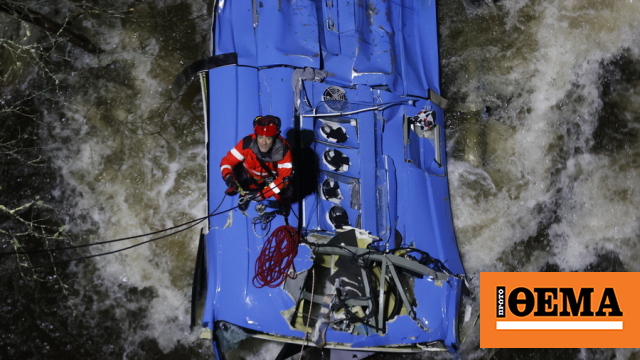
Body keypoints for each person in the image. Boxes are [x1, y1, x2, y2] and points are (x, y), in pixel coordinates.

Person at [220, 115, 293, 211]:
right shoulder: (246, 143)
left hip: (271, 179)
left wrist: (262, 195)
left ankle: (282, 203)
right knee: (241, 180)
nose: (263, 142)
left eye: (268, 138)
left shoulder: (284, 151)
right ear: (256, 136)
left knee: (284, 191)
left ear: (274, 138)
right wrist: (228, 176)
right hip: (250, 176)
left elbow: (283, 179)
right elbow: (227, 161)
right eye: (260, 137)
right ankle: (244, 195)